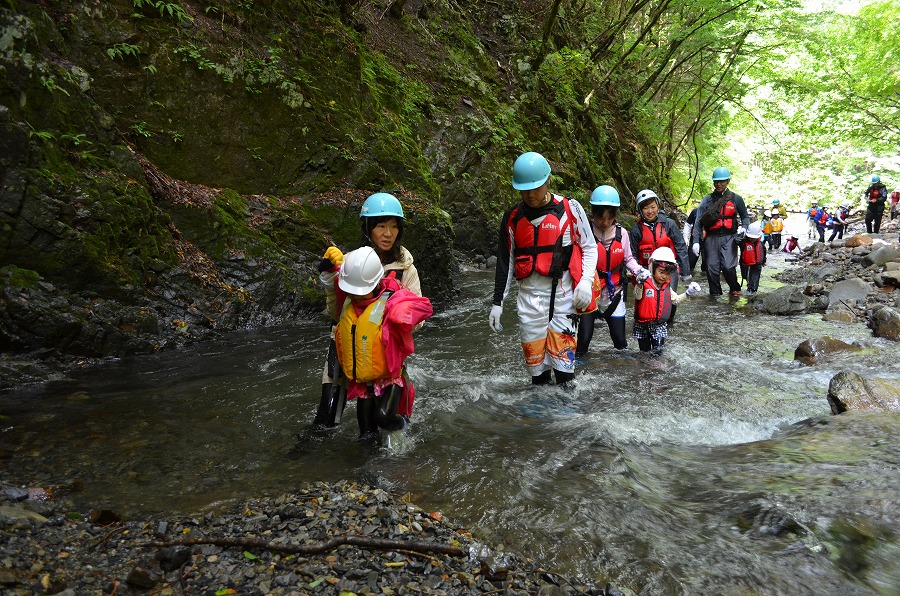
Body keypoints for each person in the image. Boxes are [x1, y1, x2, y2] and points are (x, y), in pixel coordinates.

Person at [315, 192, 423, 430]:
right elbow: (336, 314)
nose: (388, 234)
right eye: (381, 226)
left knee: (379, 421)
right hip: (346, 345)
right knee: (326, 418)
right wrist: (330, 281)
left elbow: (418, 320)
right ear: (367, 228)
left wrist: (396, 315)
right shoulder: (352, 263)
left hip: (382, 352)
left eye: (394, 227)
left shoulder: (406, 269)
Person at [489, 151, 598, 386]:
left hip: (564, 298)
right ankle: (540, 420)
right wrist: (498, 302)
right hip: (529, 300)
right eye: (524, 189)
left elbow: (590, 247)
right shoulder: (512, 218)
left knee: (565, 374)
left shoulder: (570, 208)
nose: (529, 194)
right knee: (537, 374)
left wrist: (586, 281)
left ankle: (565, 419)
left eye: (535, 188)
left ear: (548, 181)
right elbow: (505, 262)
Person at [329, 247, 432, 441]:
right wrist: (328, 274)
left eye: (361, 292)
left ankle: (402, 428)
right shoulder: (349, 299)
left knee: (383, 417)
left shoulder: (392, 297)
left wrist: (404, 315)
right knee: (366, 434)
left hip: (389, 380)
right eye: (352, 292)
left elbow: (424, 306)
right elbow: (334, 294)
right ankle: (369, 469)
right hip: (363, 383)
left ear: (376, 284)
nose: (356, 296)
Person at [576, 185, 647, 355]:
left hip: (614, 293)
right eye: (601, 218)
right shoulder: (584, 232)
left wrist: (640, 271)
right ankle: (576, 368)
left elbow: (628, 259)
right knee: (583, 341)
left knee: (620, 342)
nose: (605, 223)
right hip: (590, 294)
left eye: (610, 218)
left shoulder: (622, 234)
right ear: (593, 214)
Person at [630, 188, 691, 325]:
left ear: (658, 206)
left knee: (669, 298)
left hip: (669, 269)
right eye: (646, 208)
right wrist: (634, 273)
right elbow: (632, 253)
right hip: (647, 270)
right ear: (640, 210)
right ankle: (645, 324)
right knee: (645, 300)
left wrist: (686, 272)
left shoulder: (669, 224)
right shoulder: (637, 230)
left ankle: (667, 324)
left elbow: (680, 246)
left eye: (653, 207)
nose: (650, 211)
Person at [690, 167, 750, 298]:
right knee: (711, 269)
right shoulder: (707, 200)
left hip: (730, 237)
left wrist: (745, 227)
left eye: (722, 181)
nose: (719, 184)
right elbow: (698, 222)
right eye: (716, 181)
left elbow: (745, 216)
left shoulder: (736, 199)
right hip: (711, 238)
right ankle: (715, 295)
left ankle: (734, 288)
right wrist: (695, 242)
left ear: (728, 181)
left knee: (728, 267)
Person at [631, 247, 701, 354]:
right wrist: (639, 284)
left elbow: (675, 300)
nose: (664, 276)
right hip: (642, 325)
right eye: (661, 272)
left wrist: (688, 293)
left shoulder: (667, 287)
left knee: (658, 352)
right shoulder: (644, 282)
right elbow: (637, 296)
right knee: (644, 352)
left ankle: (657, 367)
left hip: (659, 325)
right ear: (652, 267)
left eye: (667, 274)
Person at [739, 222, 766, 295]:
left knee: (755, 277)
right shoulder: (743, 242)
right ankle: (748, 286)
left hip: (757, 263)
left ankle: (753, 290)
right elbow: (735, 242)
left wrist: (764, 261)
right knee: (745, 276)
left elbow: (764, 251)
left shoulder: (761, 244)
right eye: (750, 237)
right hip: (745, 262)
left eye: (753, 238)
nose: (751, 239)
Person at [682, 207, 704, 274]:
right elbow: (688, 224)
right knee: (689, 264)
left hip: (709, 241)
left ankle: (705, 279)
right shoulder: (695, 211)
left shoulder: (715, 211)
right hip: (694, 240)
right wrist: (686, 238)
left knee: (708, 266)